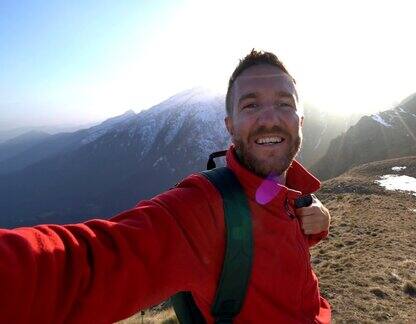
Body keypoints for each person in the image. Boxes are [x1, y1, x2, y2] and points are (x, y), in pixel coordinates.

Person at [0, 50, 332, 323]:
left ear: (300, 119)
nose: (270, 118)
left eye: (285, 103)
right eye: (251, 104)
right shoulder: (201, 211)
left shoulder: (291, 195)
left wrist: (316, 224)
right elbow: (81, 264)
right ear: (230, 125)